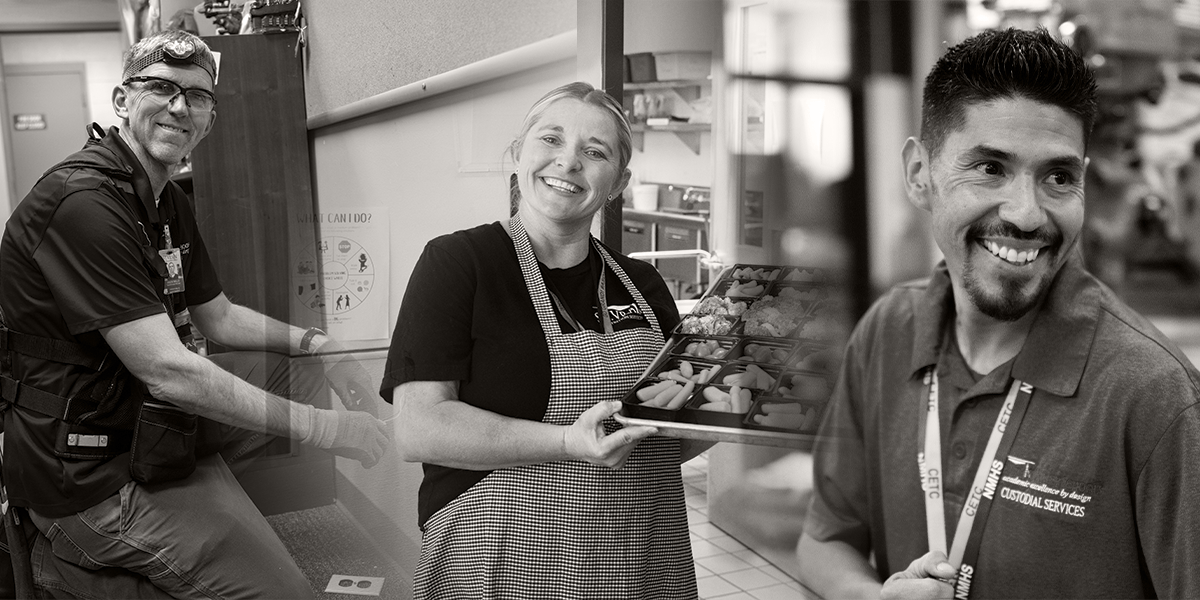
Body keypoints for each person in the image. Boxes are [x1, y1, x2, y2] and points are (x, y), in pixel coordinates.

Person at [796, 27, 1200, 599]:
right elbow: (824, 539)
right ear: (920, 174)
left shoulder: (1153, 397)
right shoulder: (888, 331)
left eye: (1059, 177)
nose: (1027, 214)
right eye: (990, 168)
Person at [0, 30, 390, 598]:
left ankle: (205, 519)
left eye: (198, 96)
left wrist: (318, 344)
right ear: (121, 101)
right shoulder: (83, 203)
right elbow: (169, 370)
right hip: (86, 468)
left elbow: (220, 317)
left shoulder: (164, 200)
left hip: (142, 417)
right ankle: (65, 564)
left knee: (297, 375)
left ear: (209, 118)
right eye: (160, 87)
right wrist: (326, 428)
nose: (180, 106)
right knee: (286, 593)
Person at [382, 81, 706, 598]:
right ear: (517, 155)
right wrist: (566, 443)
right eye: (551, 140)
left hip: (640, 557)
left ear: (618, 181)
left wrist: (737, 411)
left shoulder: (642, 283)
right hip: (496, 558)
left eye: (594, 152)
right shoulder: (460, 263)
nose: (569, 162)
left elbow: (670, 433)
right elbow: (419, 428)